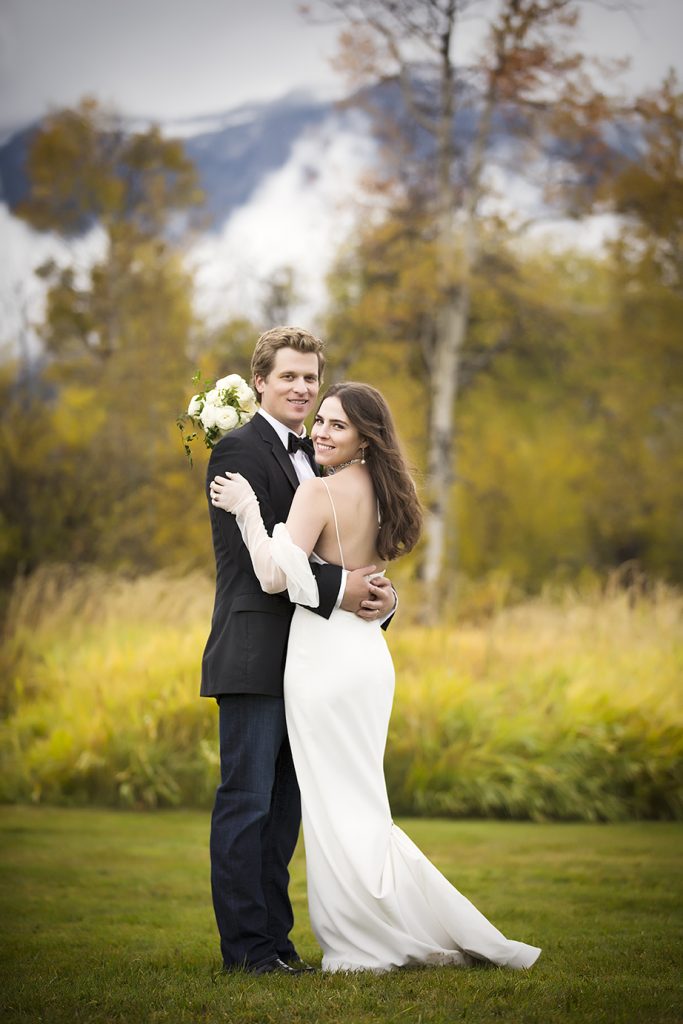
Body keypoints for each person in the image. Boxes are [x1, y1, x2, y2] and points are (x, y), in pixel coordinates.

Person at [209, 381, 542, 973]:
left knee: (337, 805)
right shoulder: (387, 495)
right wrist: (382, 600)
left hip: (323, 664)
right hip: (366, 657)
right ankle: (397, 920)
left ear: (364, 437)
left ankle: (363, 934)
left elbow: (272, 576)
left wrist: (248, 510)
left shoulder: (316, 490)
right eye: (322, 422)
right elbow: (369, 583)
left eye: (337, 424)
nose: (321, 431)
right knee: (359, 801)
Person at [201, 328, 397, 976]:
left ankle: (276, 945)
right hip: (256, 654)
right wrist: (347, 591)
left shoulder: (316, 457)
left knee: (284, 810)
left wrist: (378, 600)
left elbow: (328, 549)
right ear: (259, 381)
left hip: (309, 660)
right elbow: (263, 568)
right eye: (289, 377)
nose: (302, 389)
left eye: (310, 378)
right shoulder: (236, 450)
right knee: (247, 802)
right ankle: (245, 952)